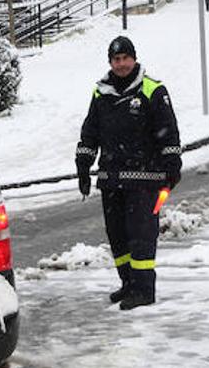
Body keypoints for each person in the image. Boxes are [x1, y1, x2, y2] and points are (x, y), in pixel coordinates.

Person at [74, 36, 182, 310]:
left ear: (134, 59)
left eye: (125, 59)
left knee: (141, 235)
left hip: (145, 181)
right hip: (111, 180)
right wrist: (83, 166)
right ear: (110, 62)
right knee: (118, 236)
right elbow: (90, 133)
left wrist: (172, 166)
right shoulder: (101, 93)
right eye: (116, 60)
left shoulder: (153, 90)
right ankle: (128, 283)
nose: (121, 64)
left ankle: (144, 289)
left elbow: (168, 131)